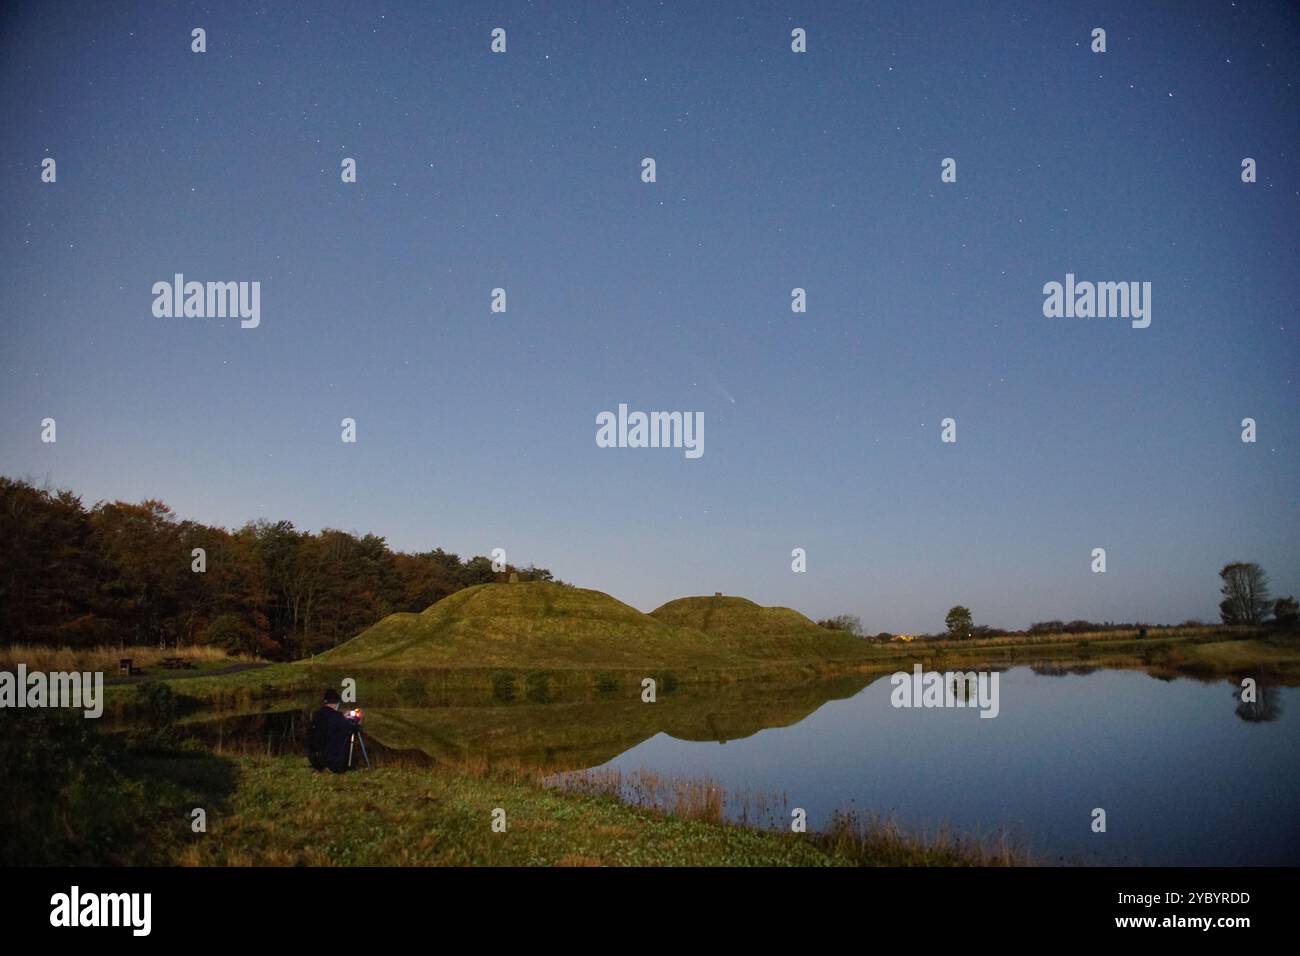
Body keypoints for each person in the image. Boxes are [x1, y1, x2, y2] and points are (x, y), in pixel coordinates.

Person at [305, 688, 361, 773]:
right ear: (336, 703)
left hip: (315, 759)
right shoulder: (337, 717)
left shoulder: (317, 715)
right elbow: (352, 728)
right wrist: (356, 721)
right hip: (332, 762)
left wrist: (343, 717)